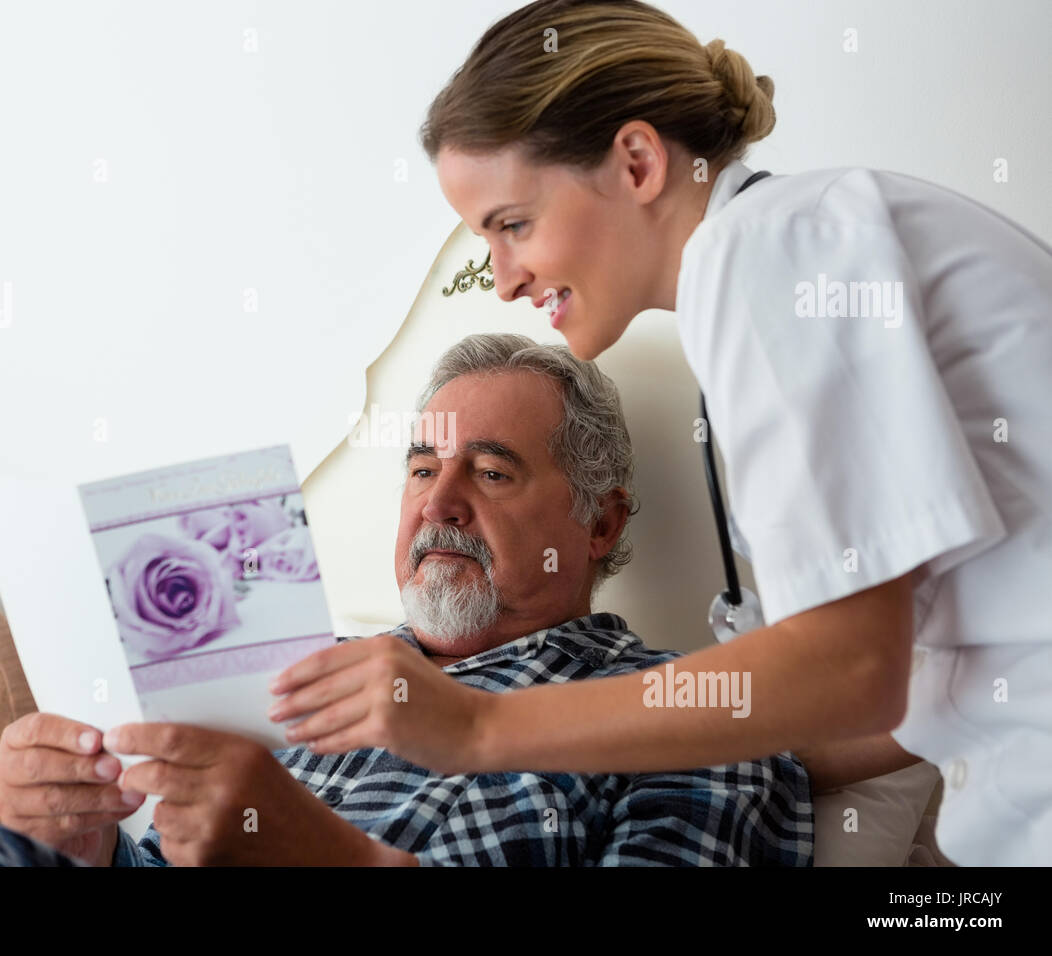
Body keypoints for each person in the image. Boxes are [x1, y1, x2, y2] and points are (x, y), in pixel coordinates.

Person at [267, 0, 1052, 867]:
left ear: (637, 162)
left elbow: (851, 670)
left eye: (513, 225)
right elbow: (886, 676)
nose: (504, 278)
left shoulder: (774, 250)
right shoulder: (786, 259)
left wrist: (481, 726)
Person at [0, 334, 811, 867]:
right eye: (417, 469)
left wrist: (335, 856)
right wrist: (79, 841)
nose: (437, 503)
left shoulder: (687, 712)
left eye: (488, 471)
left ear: (597, 520)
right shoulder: (297, 658)